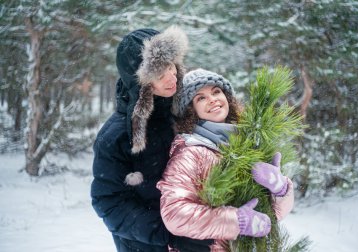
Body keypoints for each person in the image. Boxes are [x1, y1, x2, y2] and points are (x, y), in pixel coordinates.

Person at [157, 68, 295, 251]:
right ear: (190, 110)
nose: (213, 99)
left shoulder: (247, 143)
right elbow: (174, 214)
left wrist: (280, 190)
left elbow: (270, 218)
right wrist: (236, 220)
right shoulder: (190, 153)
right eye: (201, 98)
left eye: (216, 91)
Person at [90, 26, 190, 251]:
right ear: (141, 83)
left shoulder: (184, 115)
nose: (171, 75)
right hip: (145, 245)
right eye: (159, 72)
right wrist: (168, 234)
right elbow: (109, 202)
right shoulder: (116, 136)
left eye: (172, 65)